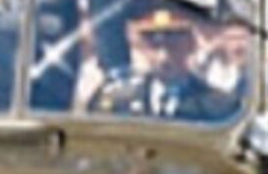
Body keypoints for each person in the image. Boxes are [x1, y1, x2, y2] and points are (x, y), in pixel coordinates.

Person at [93, 7, 238, 121]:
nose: (163, 56)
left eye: (173, 46)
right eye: (154, 46)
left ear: (191, 45)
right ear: (141, 47)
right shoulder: (118, 98)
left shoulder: (217, 106)